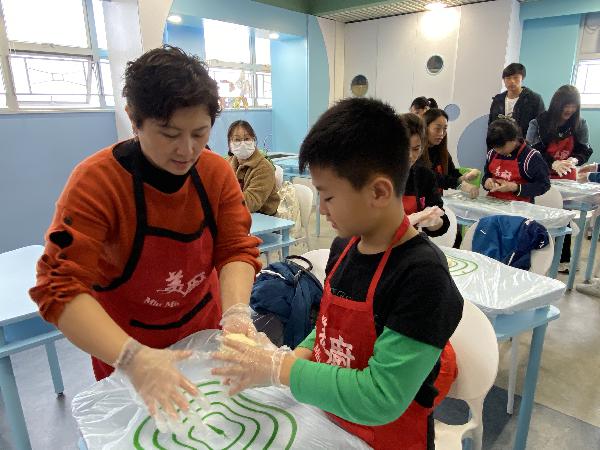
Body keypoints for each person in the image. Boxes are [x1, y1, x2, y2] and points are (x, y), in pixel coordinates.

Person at [212, 98, 464, 449]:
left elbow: (380, 396)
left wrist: (280, 369)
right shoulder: (344, 247)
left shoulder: (423, 277)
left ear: (379, 191)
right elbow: (327, 327)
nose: (321, 210)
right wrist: (289, 357)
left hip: (385, 437)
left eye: (328, 197)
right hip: (327, 419)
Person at [29, 46, 261, 424]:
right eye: (169, 134)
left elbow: (235, 248)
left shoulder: (216, 173)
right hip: (124, 345)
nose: (187, 149)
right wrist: (133, 359)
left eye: (200, 133)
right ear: (133, 120)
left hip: (202, 335)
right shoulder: (96, 183)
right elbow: (60, 287)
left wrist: (236, 314)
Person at [526, 85, 593, 273]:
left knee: (564, 217)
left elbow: (585, 149)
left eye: (573, 106)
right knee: (538, 216)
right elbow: (531, 150)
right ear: (557, 104)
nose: (569, 110)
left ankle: (563, 260)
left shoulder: (580, 124)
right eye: (566, 105)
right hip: (541, 175)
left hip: (566, 176)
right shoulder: (538, 123)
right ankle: (533, 257)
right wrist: (552, 163)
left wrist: (574, 160)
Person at [401, 113, 450, 237]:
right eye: (404, 148)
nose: (410, 156)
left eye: (416, 149)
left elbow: (442, 223)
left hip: (409, 243)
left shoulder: (425, 176)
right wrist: (407, 221)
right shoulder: (376, 176)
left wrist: (434, 221)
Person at [482, 119, 550, 202]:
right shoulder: (492, 154)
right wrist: (486, 182)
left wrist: (515, 187)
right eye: (495, 147)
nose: (498, 151)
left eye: (502, 147)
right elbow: (486, 175)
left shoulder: (531, 157)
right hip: (493, 202)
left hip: (520, 206)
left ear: (514, 140)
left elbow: (544, 185)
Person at [228, 120, 281, 215]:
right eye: (237, 140)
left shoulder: (264, 168)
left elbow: (251, 202)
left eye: (247, 139)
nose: (242, 144)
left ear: (253, 140)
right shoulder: (227, 164)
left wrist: (223, 198)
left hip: (265, 218)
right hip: (235, 213)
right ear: (230, 144)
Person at [423, 108, 480, 197]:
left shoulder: (441, 151)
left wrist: (464, 177)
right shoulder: (417, 152)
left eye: (445, 129)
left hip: (435, 200)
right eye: (437, 128)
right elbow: (429, 176)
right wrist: (459, 183)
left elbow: (451, 171)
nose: (441, 133)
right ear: (425, 128)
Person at [489, 63, 545, 137]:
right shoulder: (498, 99)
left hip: (524, 142)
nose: (512, 81)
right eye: (508, 78)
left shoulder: (534, 99)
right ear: (504, 80)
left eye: (515, 77)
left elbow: (541, 126)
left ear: (522, 78)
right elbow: (491, 125)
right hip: (499, 141)